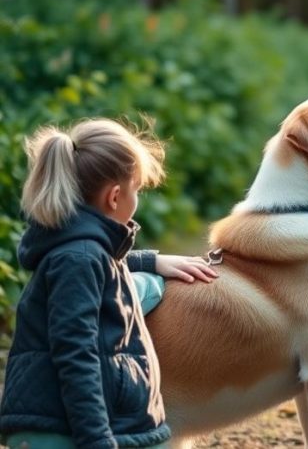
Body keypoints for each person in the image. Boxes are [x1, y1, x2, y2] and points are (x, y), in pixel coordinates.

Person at [0, 118, 218, 449]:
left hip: (66, 424)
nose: (137, 199)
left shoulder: (77, 251)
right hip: (63, 432)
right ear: (115, 197)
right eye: (138, 190)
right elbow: (76, 354)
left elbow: (101, 269)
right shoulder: (79, 260)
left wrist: (151, 262)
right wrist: (97, 440)